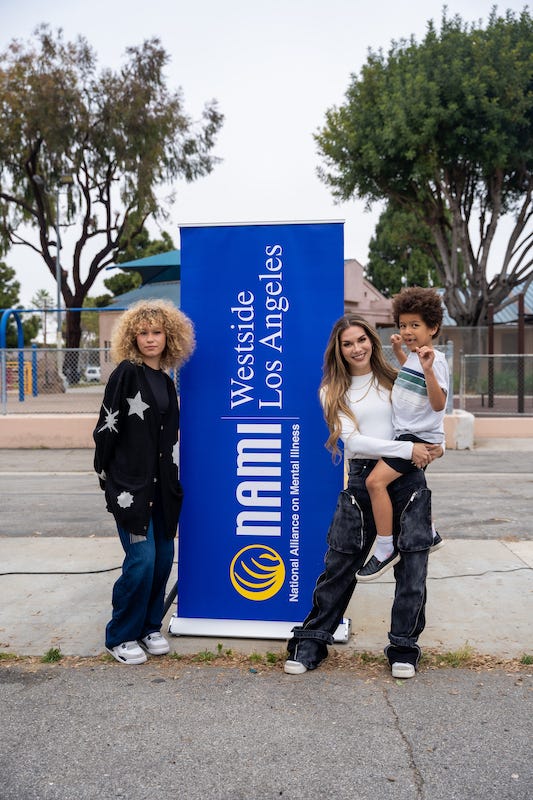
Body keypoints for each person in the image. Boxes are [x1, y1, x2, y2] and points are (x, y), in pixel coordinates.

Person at [284, 314, 442, 679]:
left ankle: (404, 647)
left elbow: (427, 419)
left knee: (413, 570)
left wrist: (432, 448)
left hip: (407, 479)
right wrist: (408, 450)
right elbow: (354, 442)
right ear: (338, 350)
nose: (357, 348)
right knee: (340, 565)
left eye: (361, 340)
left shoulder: (397, 378)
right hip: (363, 479)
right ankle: (312, 641)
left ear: (372, 340)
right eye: (348, 343)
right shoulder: (332, 391)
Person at [93, 299, 195, 665]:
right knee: (141, 559)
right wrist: (106, 474)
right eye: (143, 333)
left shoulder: (166, 380)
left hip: (162, 488)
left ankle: (150, 626)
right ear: (132, 338)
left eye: (157, 333)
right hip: (129, 488)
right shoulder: (126, 373)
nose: (150, 339)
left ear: (170, 337)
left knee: (164, 558)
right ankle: (120, 634)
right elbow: (107, 426)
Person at [357, 287, 448, 581]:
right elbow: (410, 374)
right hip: (408, 436)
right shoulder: (414, 356)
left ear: (433, 327)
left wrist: (430, 370)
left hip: (416, 439)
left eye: (415, 325)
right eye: (403, 325)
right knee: (407, 488)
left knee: (374, 483)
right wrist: (399, 350)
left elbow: (438, 403)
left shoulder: (436, 360)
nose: (407, 331)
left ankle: (385, 547)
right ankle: (430, 533)